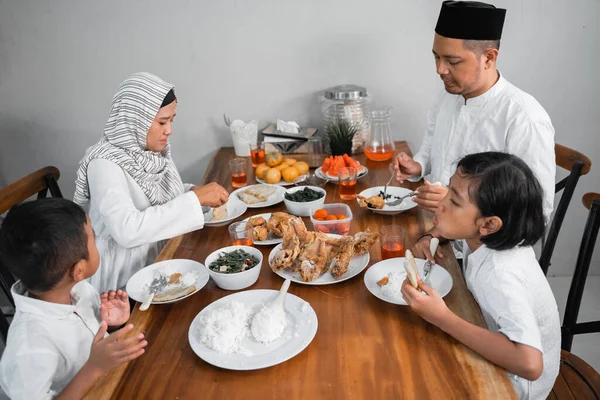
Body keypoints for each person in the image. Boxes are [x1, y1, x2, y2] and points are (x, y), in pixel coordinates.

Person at [402, 152, 560, 400]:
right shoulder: (487, 237)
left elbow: (530, 364)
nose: (440, 204)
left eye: (454, 201)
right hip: (493, 339)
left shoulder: (500, 273)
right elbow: (460, 225)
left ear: (488, 225)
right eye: (448, 190)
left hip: (514, 386)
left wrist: (442, 317)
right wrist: (433, 235)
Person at [394, 1, 555, 229]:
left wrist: (455, 206)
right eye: (436, 57)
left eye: (453, 61)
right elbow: (432, 145)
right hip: (436, 230)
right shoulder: (447, 96)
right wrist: (418, 165)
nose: (440, 69)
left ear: (489, 57)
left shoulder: (523, 118)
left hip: (480, 253)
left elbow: (536, 213)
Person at [74, 72, 229, 293]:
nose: (169, 130)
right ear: (136, 119)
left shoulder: (149, 151)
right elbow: (126, 230)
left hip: (161, 258)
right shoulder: (104, 164)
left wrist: (192, 191)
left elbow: (156, 197)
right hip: (123, 280)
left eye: (171, 121)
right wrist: (193, 200)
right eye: (162, 122)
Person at [0, 198, 147, 399]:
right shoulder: (29, 348)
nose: (97, 243)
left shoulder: (78, 289)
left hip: (113, 381)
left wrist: (111, 325)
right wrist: (93, 369)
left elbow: (93, 340)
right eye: (94, 240)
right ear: (78, 270)